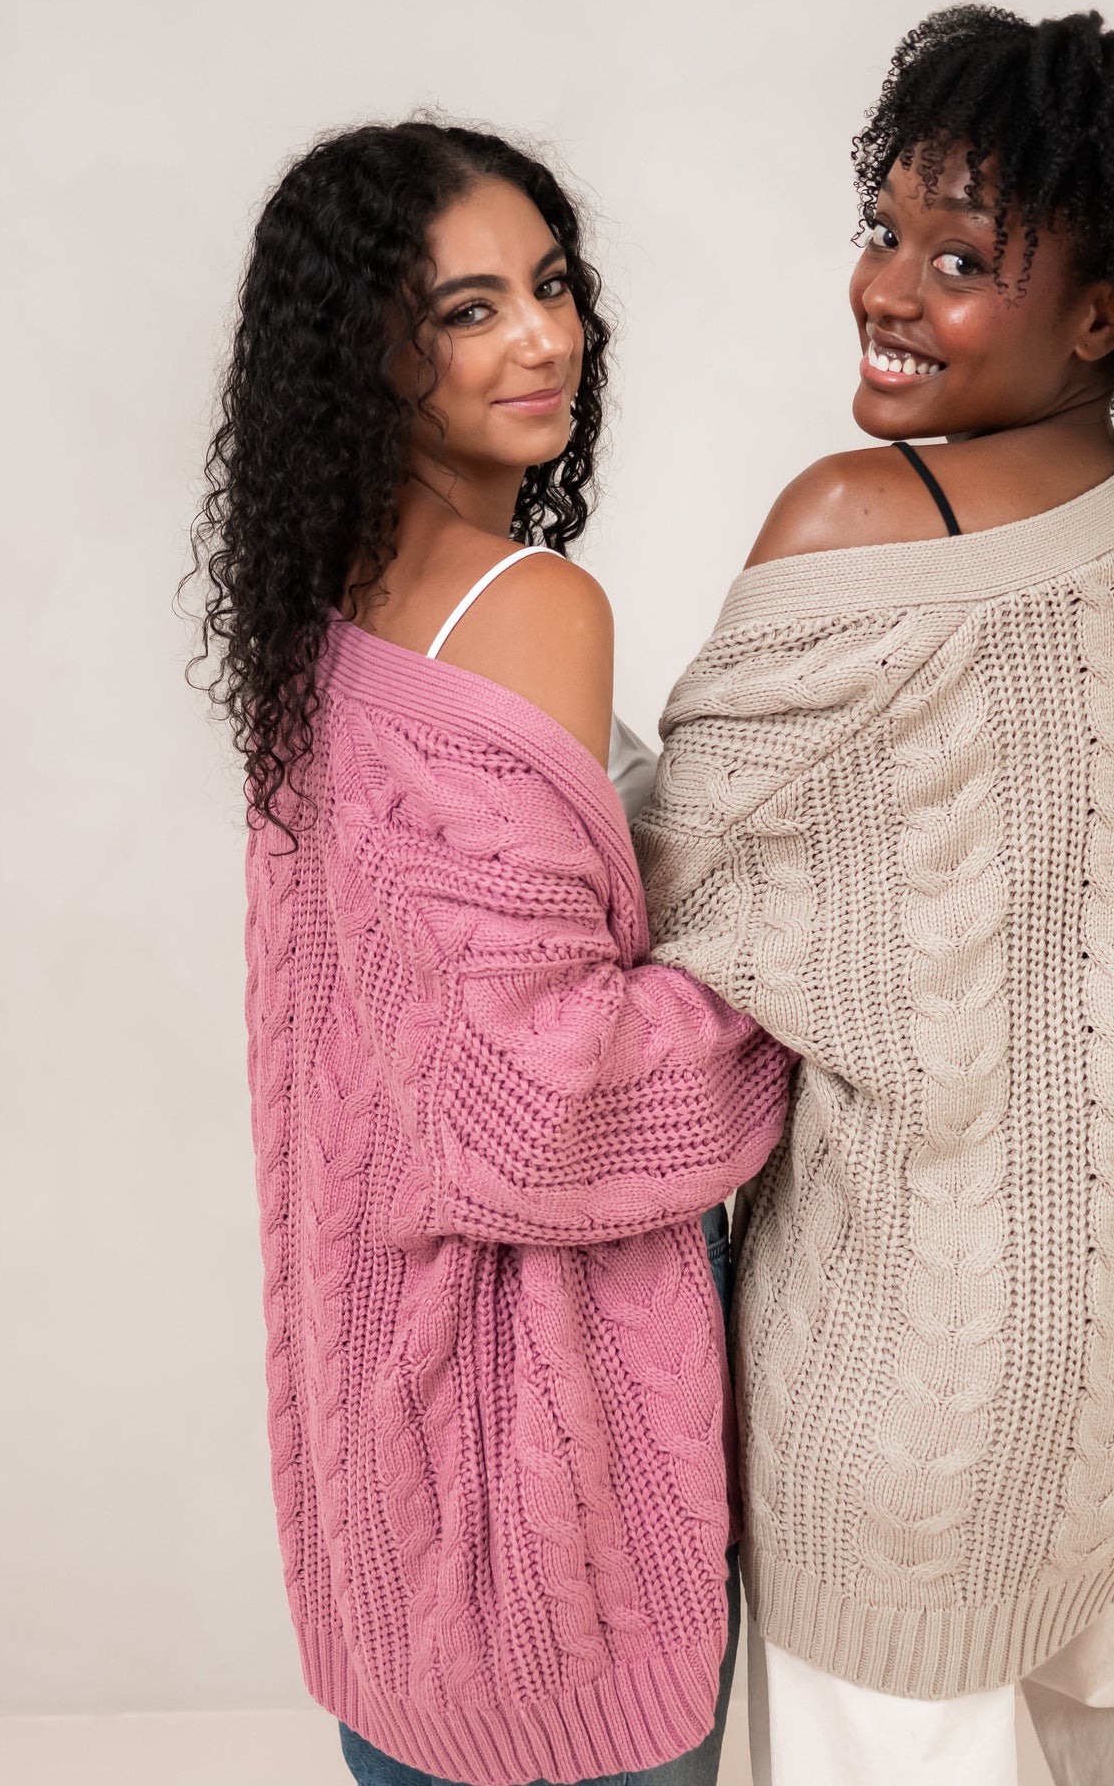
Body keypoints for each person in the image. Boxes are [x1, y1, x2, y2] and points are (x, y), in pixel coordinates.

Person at [634, 8, 1114, 1786]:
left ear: (1110, 311)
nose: (889, 289)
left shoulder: (861, 520)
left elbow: (666, 885)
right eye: (885, 228)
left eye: (961, 259)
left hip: (913, 1387)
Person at [187, 118, 793, 1786]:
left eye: (549, 284)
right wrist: (799, 987)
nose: (544, 337)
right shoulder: (528, 601)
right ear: (366, 356)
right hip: (546, 1413)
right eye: (468, 310)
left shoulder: (319, 610)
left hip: (379, 1420)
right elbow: (539, 1100)